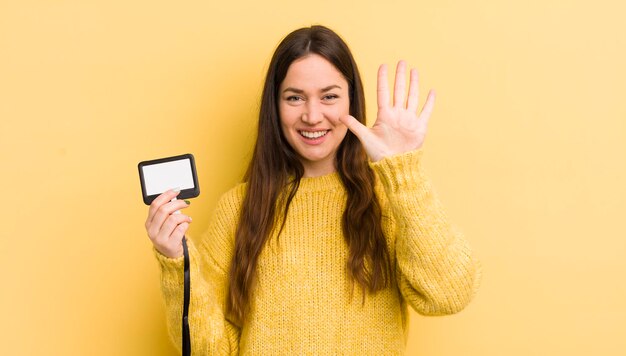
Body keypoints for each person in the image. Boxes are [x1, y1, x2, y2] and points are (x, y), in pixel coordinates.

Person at [144, 25, 481, 355]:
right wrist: (176, 262)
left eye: (330, 97)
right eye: (295, 98)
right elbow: (210, 350)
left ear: (352, 100)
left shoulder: (390, 195)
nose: (312, 115)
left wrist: (403, 169)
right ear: (275, 107)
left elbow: (448, 295)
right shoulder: (239, 208)